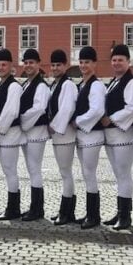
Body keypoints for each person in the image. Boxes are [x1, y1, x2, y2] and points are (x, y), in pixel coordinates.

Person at [100, 44, 133, 231]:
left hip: (123, 134)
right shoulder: (114, 81)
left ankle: (126, 216)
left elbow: (131, 108)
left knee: (124, 175)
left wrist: (112, 119)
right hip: (111, 135)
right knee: (118, 175)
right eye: (114, 60)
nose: (116, 63)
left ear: (128, 62)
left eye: (120, 60)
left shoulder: (132, 82)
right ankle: (119, 211)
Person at [72, 47, 106, 229]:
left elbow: (97, 110)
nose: (84, 65)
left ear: (94, 64)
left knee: (90, 174)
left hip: (92, 134)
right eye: (82, 62)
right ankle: (90, 212)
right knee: (86, 174)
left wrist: (78, 121)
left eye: (87, 62)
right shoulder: (82, 84)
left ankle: (94, 216)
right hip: (83, 135)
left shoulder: (96, 85)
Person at [0, 49, 24, 221]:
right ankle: (12, 206)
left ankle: (13, 208)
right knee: (7, 170)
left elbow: (11, 111)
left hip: (9, 132)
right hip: (2, 134)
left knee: (10, 170)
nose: (1, 67)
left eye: (4, 64)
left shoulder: (14, 86)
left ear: (11, 65)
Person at [46, 49, 79, 226]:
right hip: (59, 134)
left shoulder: (68, 85)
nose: (55, 67)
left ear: (65, 65)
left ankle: (65, 211)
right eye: (53, 65)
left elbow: (67, 109)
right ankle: (68, 211)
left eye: (58, 65)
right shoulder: (55, 84)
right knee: (64, 172)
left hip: (64, 133)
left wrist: (53, 127)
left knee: (66, 173)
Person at [18, 49, 51, 222]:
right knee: (31, 169)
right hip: (28, 132)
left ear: (38, 64)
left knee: (34, 168)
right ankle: (35, 207)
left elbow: (39, 108)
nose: (28, 65)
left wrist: (22, 121)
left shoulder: (41, 85)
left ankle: (37, 208)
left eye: (31, 62)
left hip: (35, 131)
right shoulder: (26, 84)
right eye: (26, 62)